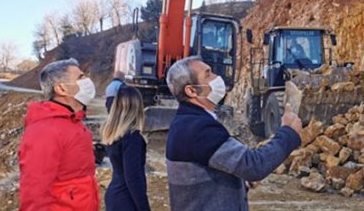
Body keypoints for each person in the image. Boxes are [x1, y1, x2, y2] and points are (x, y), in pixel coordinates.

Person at [165, 56, 303, 210]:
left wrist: (239, 180)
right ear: (191, 91)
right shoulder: (198, 128)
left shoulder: (189, 123)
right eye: (208, 74)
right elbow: (253, 165)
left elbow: (205, 173)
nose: (217, 78)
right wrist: (289, 133)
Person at [18, 58, 99, 210]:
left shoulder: (73, 120)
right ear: (61, 89)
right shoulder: (45, 131)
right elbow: (35, 190)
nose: (87, 81)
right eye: (81, 78)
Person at [101, 86, 151, 211]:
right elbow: (133, 177)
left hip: (114, 195)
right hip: (127, 200)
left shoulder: (114, 134)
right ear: (138, 107)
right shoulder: (132, 138)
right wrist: (144, 207)